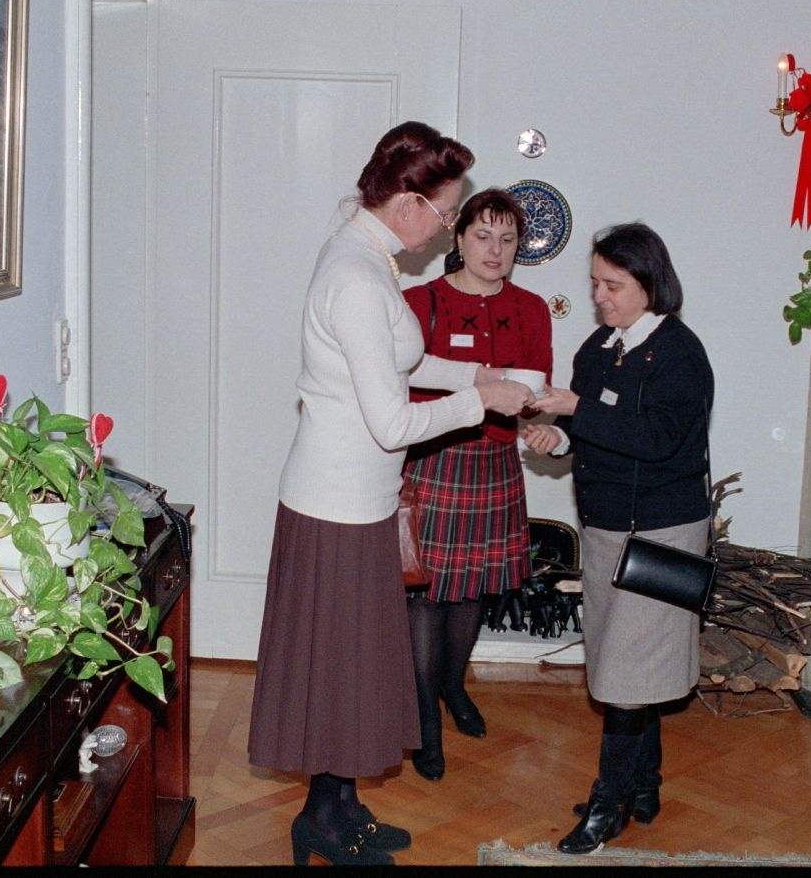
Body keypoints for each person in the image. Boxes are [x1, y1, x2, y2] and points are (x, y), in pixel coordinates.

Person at [246, 121, 534, 867]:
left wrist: (477, 376)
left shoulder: (370, 258)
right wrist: (483, 404)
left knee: (348, 666)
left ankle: (336, 807)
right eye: (444, 215)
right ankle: (322, 819)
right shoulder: (357, 276)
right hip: (334, 502)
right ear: (406, 200)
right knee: (334, 667)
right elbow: (392, 421)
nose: (445, 231)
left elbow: (408, 356)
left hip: (361, 501)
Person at [522, 221, 714, 856]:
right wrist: (562, 439)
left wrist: (576, 412)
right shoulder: (599, 348)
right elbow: (600, 430)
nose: (601, 296)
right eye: (596, 283)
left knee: (628, 670)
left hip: (662, 533)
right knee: (626, 662)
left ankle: (608, 806)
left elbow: (657, 441)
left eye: (614, 284)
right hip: (607, 529)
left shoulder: (682, 355)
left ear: (650, 284)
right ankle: (644, 786)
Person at [400, 187, 554, 782]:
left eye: (508, 239)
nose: (495, 250)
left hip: (493, 462)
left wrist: (546, 428)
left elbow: (537, 392)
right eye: (483, 236)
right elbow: (403, 388)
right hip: (433, 459)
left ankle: (451, 686)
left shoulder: (532, 307)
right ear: (458, 238)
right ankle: (424, 717)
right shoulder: (420, 301)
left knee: (472, 590)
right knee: (426, 590)